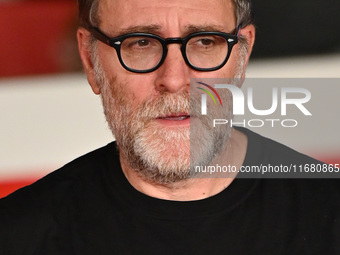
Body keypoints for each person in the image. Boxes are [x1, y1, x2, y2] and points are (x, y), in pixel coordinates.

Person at [0, 0, 339, 254]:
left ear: (243, 54)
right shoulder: (17, 235)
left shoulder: (329, 215)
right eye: (140, 43)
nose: (175, 80)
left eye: (205, 41)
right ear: (90, 60)